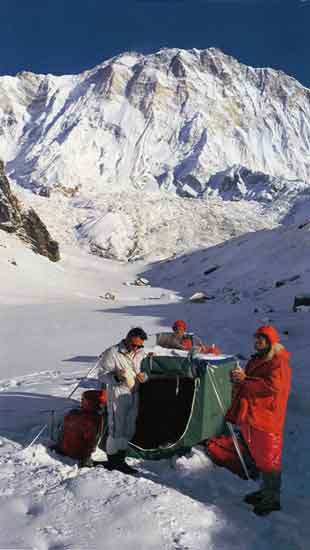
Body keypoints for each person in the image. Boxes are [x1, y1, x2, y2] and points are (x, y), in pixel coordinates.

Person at [226, 325, 291, 516]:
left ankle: (272, 499)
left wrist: (245, 380)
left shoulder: (278, 362)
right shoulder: (260, 359)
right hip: (253, 416)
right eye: (256, 338)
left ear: (270, 341)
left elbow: (272, 387)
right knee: (261, 457)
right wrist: (239, 380)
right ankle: (264, 491)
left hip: (268, 418)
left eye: (261, 339)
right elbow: (251, 382)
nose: (257, 342)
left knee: (270, 459)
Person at [97, 327, 148, 474]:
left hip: (134, 394)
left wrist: (144, 377)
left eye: (140, 346)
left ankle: (121, 459)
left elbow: (144, 373)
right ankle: (113, 461)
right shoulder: (113, 353)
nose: (136, 348)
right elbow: (101, 375)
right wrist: (116, 377)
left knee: (129, 428)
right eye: (134, 345)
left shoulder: (140, 354)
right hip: (118, 393)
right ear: (127, 339)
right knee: (116, 429)